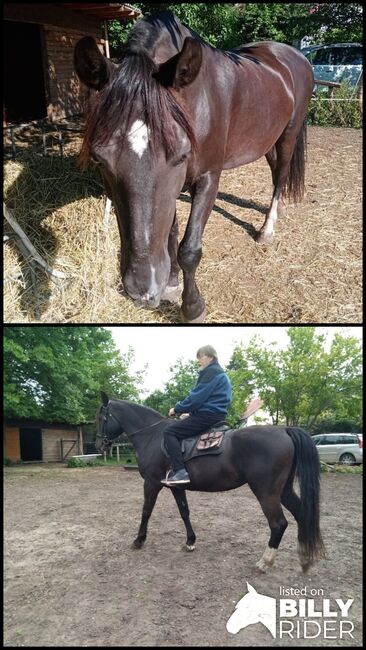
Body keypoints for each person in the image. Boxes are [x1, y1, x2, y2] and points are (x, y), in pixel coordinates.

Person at [161, 345, 232, 486]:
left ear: (211, 357)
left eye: (201, 356)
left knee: (169, 432)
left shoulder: (211, 372)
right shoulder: (221, 374)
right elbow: (208, 399)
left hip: (207, 416)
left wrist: (177, 408)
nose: (199, 360)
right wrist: (190, 414)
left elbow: (196, 398)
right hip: (215, 415)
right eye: (198, 357)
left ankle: (180, 471)